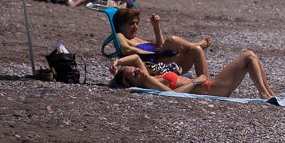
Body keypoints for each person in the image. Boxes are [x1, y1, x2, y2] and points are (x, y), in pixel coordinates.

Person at [112, 49, 276, 99]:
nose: (138, 70)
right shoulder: (148, 81)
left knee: (251, 57)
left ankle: (269, 93)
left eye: (135, 69)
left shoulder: (146, 76)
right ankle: (264, 93)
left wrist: (117, 62)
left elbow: (136, 58)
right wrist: (195, 81)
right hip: (211, 88)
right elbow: (172, 94)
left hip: (210, 86)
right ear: (131, 84)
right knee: (248, 56)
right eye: (134, 74)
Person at [112, 8, 211, 78]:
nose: (135, 27)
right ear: (121, 25)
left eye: (137, 23)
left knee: (196, 50)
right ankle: (196, 44)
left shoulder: (137, 39)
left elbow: (160, 46)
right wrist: (152, 53)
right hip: (154, 68)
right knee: (172, 40)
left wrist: (156, 27)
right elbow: (126, 49)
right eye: (131, 23)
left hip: (163, 63)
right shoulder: (120, 35)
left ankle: (207, 85)